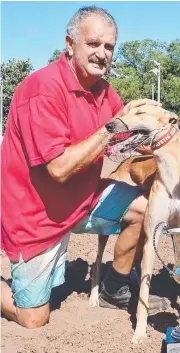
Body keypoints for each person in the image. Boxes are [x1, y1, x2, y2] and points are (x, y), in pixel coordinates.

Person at [1, 6, 168, 329]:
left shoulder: (106, 92)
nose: (102, 53)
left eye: (108, 47)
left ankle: (114, 286)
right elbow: (60, 169)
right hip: (34, 214)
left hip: (83, 200)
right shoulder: (42, 89)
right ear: (69, 43)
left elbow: (126, 141)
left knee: (146, 208)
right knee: (33, 319)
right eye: (93, 44)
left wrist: (167, 138)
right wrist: (110, 128)